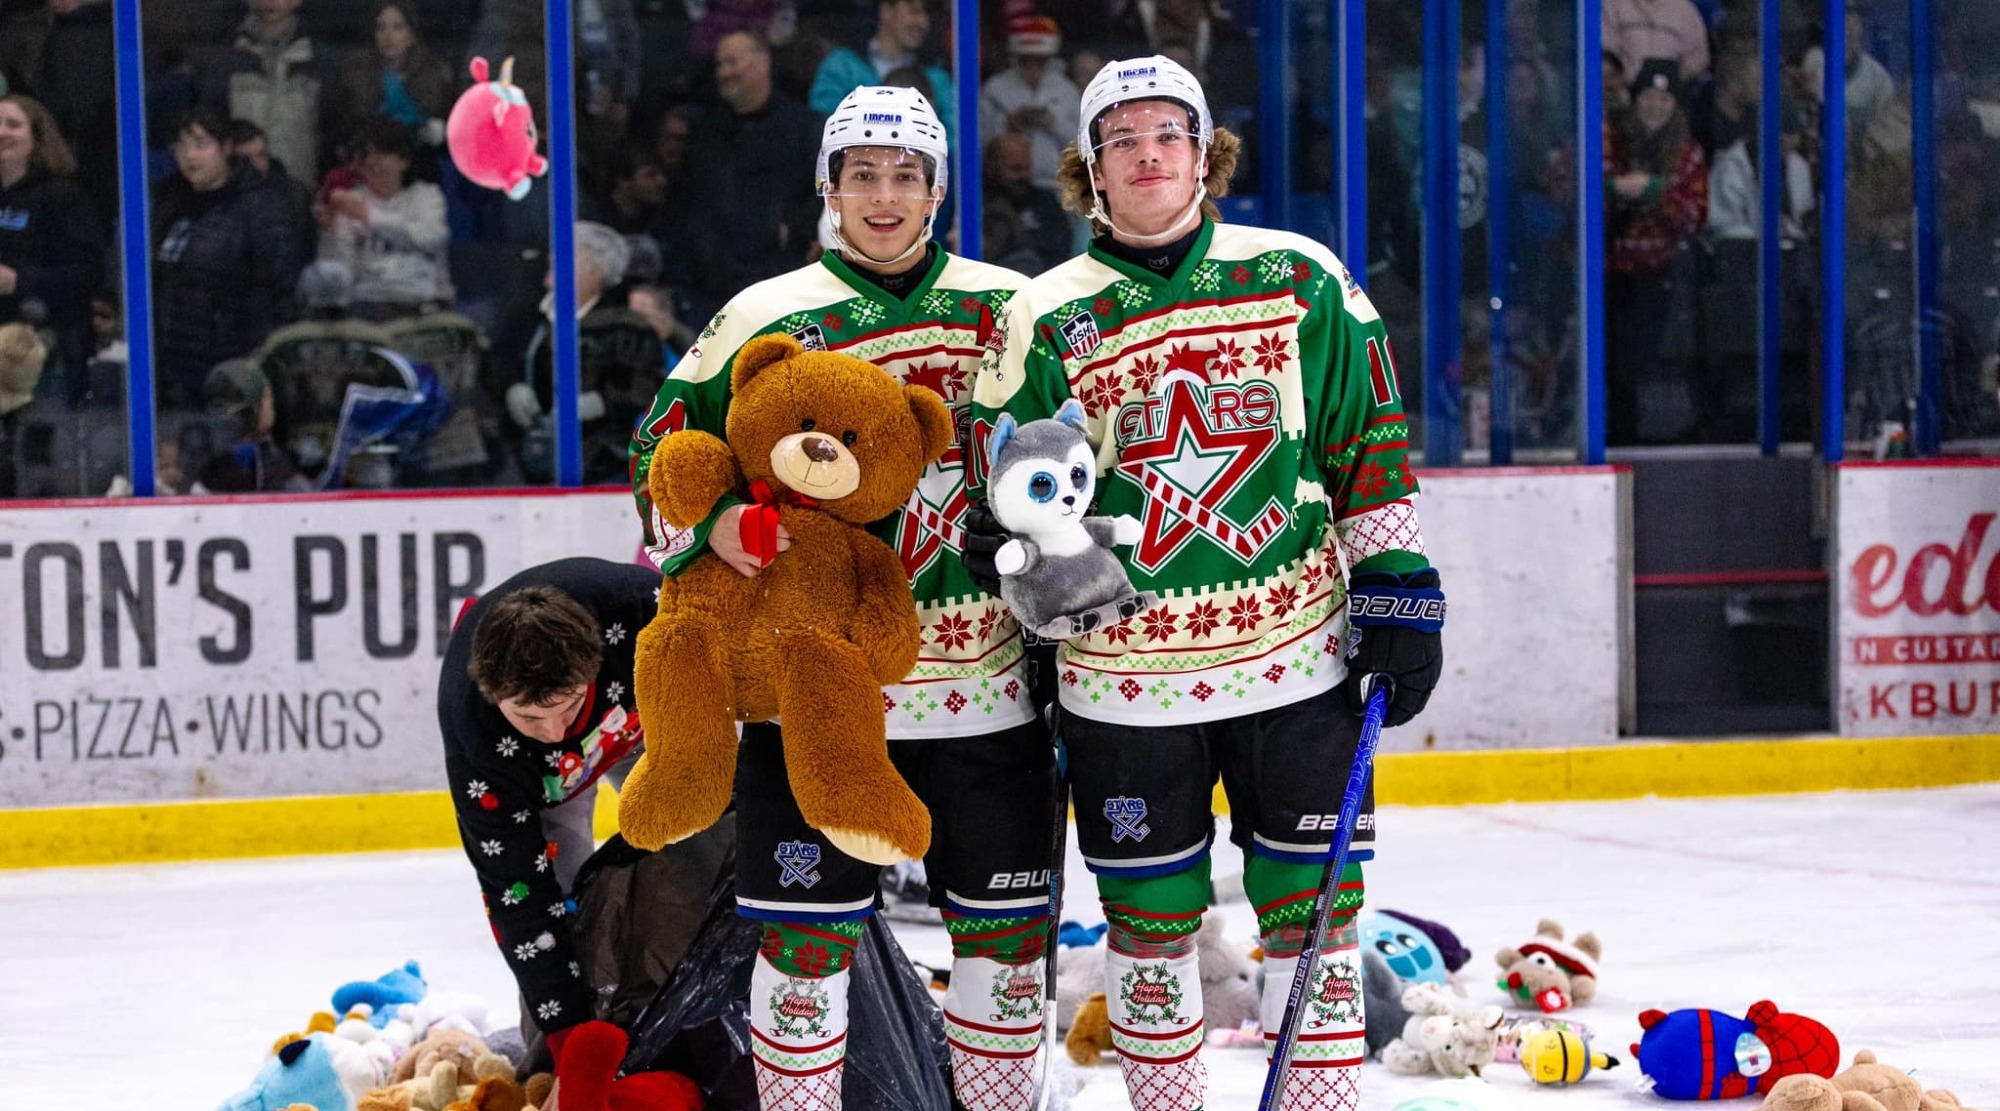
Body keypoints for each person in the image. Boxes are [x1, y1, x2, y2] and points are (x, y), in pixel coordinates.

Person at [967, 56, 1445, 1111]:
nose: (1146, 155)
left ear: (1205, 153)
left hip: (1295, 662)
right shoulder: (1044, 316)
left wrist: (1398, 584)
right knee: (1147, 921)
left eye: (1166, 135)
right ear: (1088, 171)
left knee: (1311, 911)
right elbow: (998, 495)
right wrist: (1038, 585)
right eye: (1120, 140)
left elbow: (1363, 441)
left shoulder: (1298, 277)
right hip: (1123, 685)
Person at [628, 85, 1054, 1111]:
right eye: (860, 173)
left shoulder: (1010, 306)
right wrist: (710, 529)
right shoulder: (762, 316)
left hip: (984, 687)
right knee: (803, 948)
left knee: (1001, 953)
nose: (883, 195)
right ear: (826, 185)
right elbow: (659, 454)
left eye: (905, 175)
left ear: (936, 190)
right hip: (803, 697)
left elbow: (1073, 455)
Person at [438, 558, 661, 1075]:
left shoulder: (643, 611)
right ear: (494, 697)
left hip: (651, 729)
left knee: (701, 851)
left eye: (567, 706)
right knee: (567, 909)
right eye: (530, 716)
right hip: (543, 784)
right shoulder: (478, 737)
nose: (557, 731)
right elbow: (518, 900)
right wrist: (566, 1048)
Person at [151, 110, 311, 410]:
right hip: (173, 366)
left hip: (231, 365)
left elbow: (279, 287)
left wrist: (249, 356)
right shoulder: (170, 202)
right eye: (181, 146)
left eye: (200, 144)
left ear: (225, 148)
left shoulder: (261, 206)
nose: (189, 155)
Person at [1605, 58, 1707, 445]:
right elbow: (1579, 185)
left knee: (1640, 358)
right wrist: (1617, 190)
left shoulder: (1687, 152)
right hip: (1607, 269)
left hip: (1659, 271)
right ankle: (1611, 434)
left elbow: (1695, 214)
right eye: (1648, 96)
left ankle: (1638, 435)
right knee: (1609, 357)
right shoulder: (1610, 135)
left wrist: (1654, 191)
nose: (1655, 106)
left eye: (1664, 99)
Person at [0, 93, 101, 380]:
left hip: (46, 347)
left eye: (13, 124)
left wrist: (19, 282)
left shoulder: (61, 195)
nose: (2, 132)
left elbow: (89, 271)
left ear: (37, 138)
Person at [315, 119, 451, 320]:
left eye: (381, 155)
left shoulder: (427, 196)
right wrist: (331, 232)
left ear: (403, 161)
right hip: (367, 305)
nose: (372, 163)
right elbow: (344, 271)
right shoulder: (351, 200)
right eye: (366, 157)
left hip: (424, 304)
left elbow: (431, 238)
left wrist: (369, 217)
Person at [808, 0, 955, 132]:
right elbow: (822, 128)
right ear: (886, 10)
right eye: (914, 11)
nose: (923, 22)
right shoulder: (842, 65)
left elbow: (954, 139)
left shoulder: (936, 77)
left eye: (926, 14)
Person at [979, 14, 1081, 193]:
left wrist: (1053, 123)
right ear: (1015, 58)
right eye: (1026, 62)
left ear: (1050, 59)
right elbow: (980, 142)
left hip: (1058, 186)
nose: (1033, 70)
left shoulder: (1067, 90)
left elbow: (1083, 144)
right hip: (1006, 187)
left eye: (1040, 62)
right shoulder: (995, 89)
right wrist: (1007, 125)